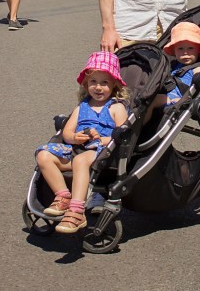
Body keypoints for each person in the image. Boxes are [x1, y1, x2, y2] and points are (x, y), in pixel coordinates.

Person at [35, 51, 129, 234]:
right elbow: (67, 132)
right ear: (86, 84)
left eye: (104, 82)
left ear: (114, 85)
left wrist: (102, 139)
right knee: (43, 155)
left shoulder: (116, 107)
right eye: (93, 82)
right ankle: (63, 196)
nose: (98, 87)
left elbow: (124, 135)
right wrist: (74, 137)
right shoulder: (82, 107)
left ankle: (77, 211)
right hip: (78, 151)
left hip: (104, 154)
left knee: (79, 160)